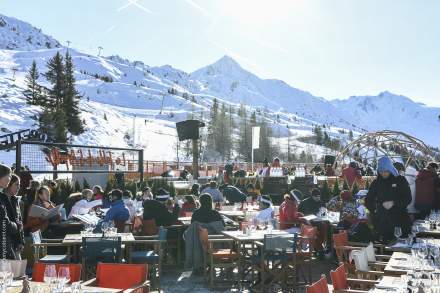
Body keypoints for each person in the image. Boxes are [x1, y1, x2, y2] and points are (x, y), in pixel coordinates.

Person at [365, 156, 412, 243]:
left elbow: (408, 198)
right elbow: (368, 200)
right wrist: (375, 209)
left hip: (400, 221)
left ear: (390, 169)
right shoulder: (376, 183)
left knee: (401, 248)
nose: (383, 173)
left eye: (386, 171)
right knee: (385, 249)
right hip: (382, 223)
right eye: (381, 171)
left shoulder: (400, 180)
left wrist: (394, 203)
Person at [0, 164, 23, 259]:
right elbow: (4, 222)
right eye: (9, 176)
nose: (9, 179)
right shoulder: (2, 198)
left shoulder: (7, 198)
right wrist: (17, 226)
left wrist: (21, 241)